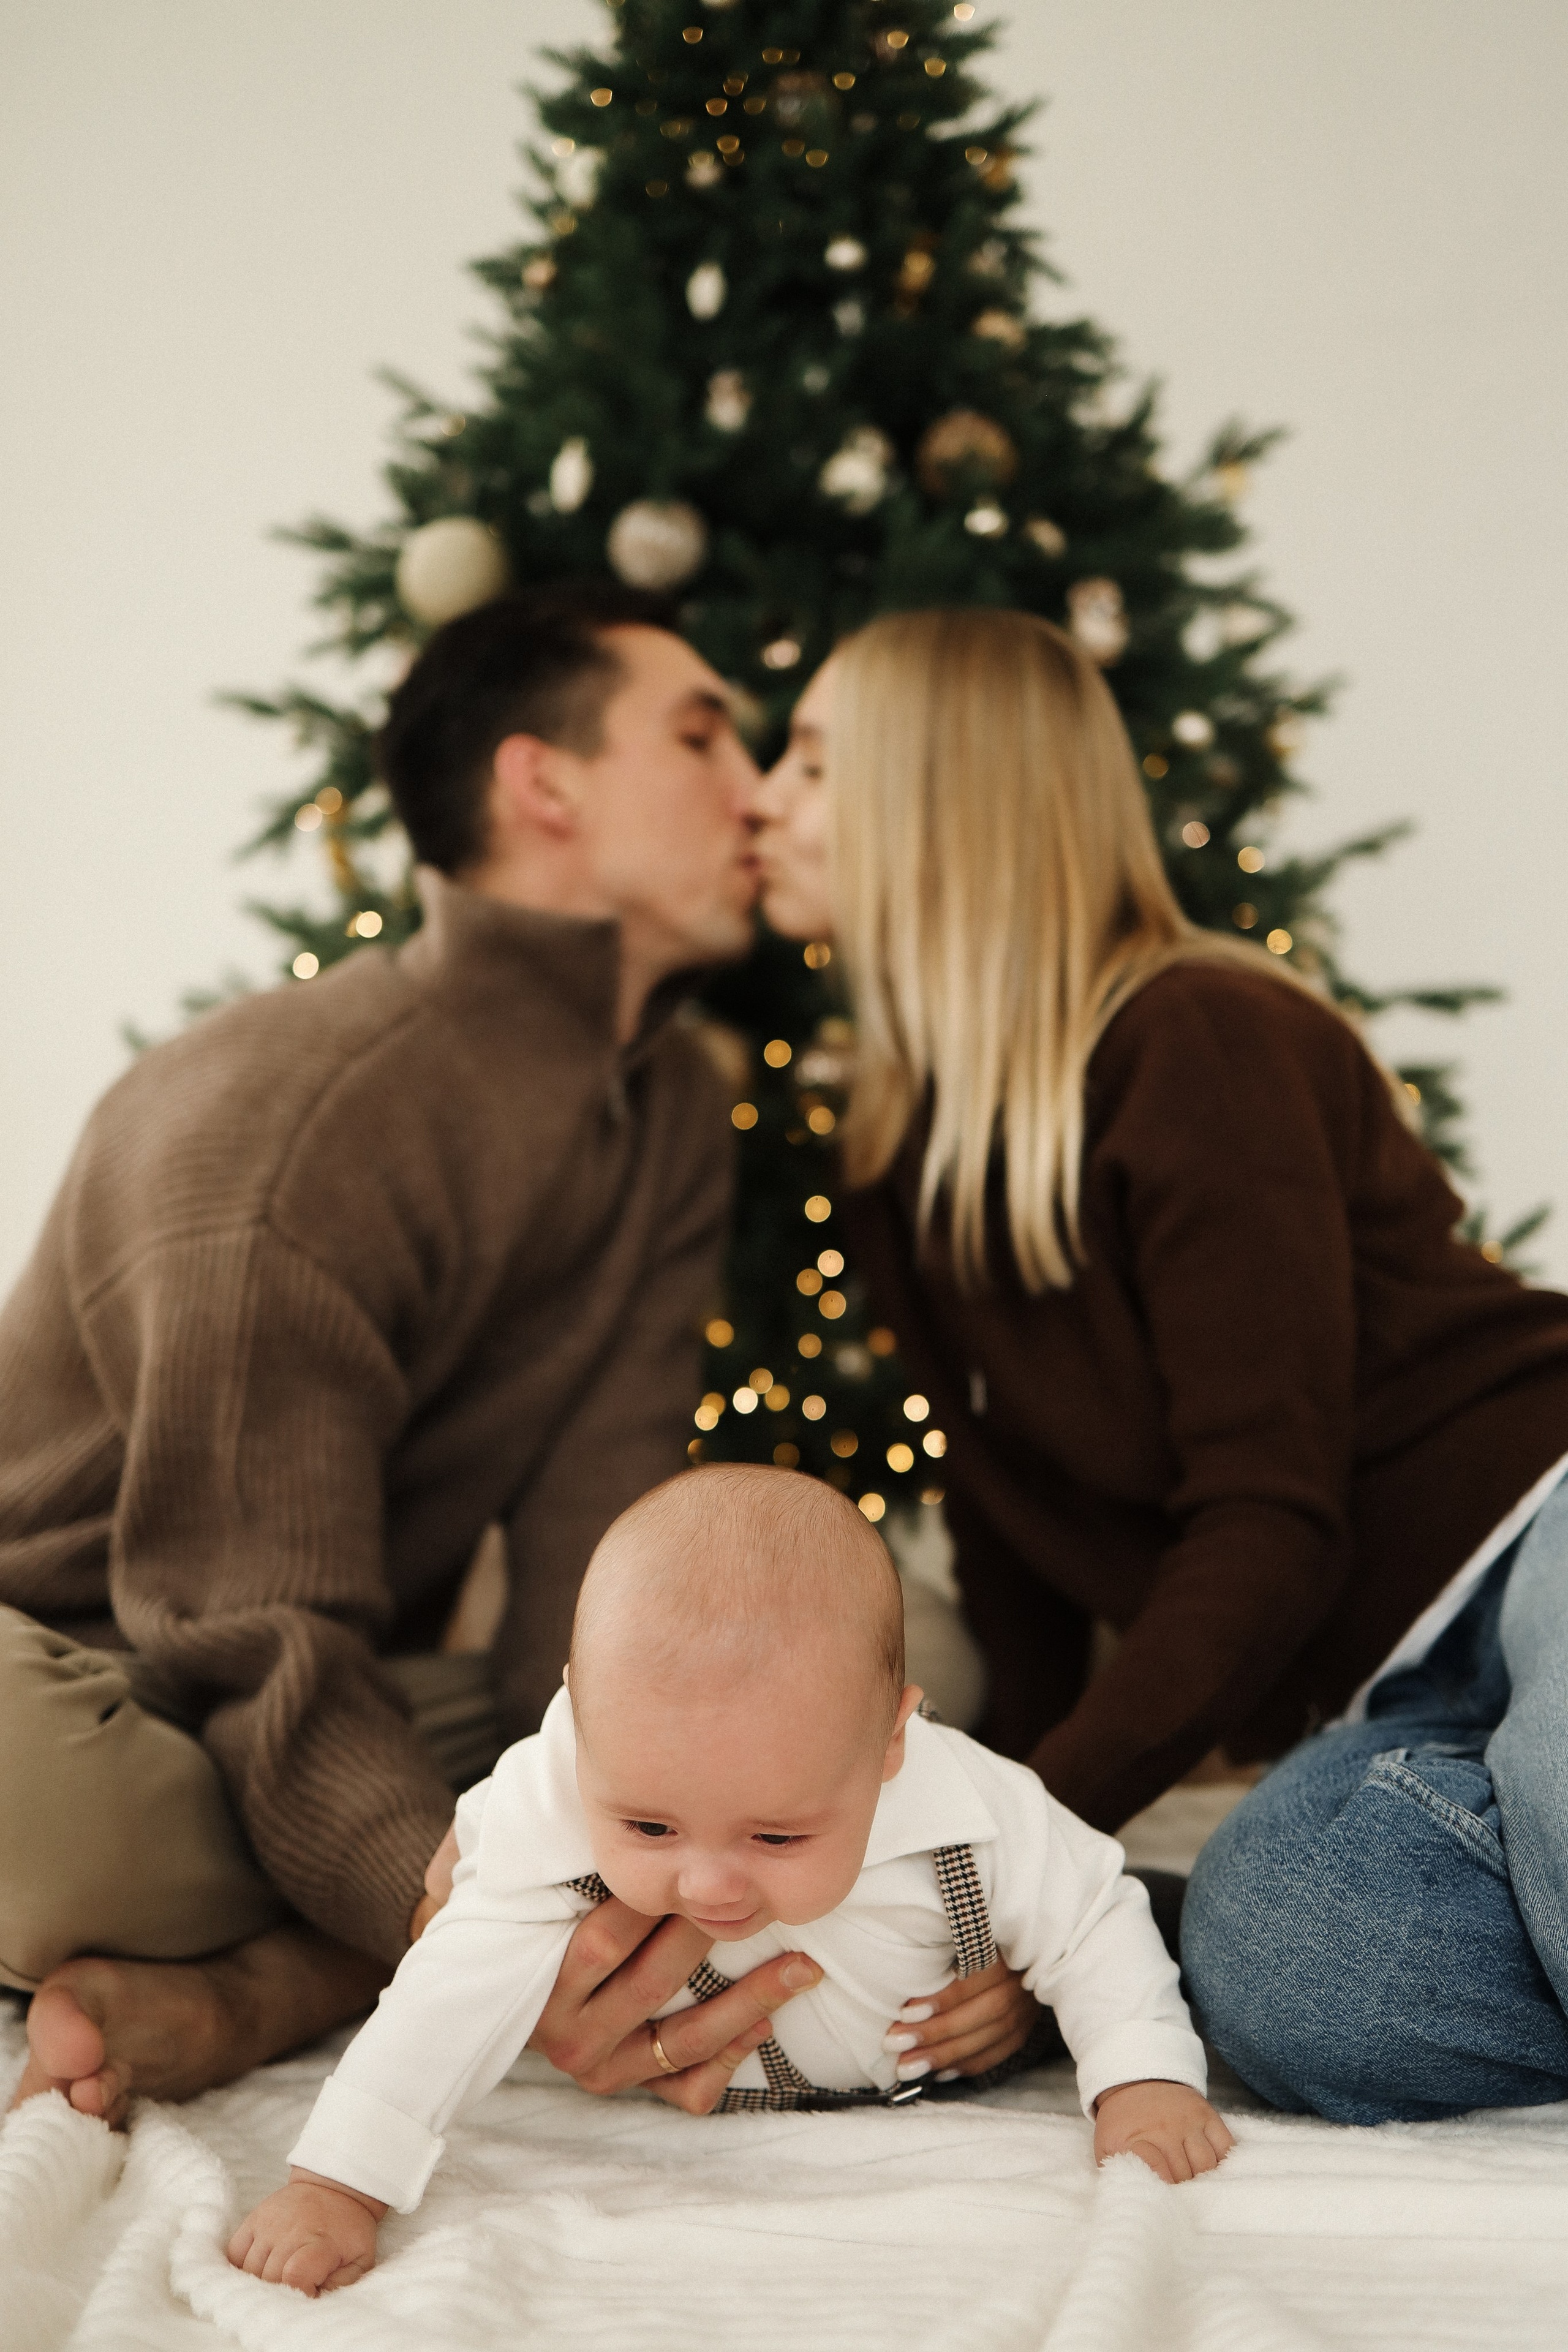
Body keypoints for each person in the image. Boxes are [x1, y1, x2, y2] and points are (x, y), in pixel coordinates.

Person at [1, 585, 826, 2123]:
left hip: (320, 1688)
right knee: (24, 1791)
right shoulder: (290, 1123)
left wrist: (619, 1829)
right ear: (543, 783)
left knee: (850, 1656)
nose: (759, 792)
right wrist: (461, 1909)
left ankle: (267, 1986)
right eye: (702, 737)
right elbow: (246, 1627)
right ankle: (346, 1944)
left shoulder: (668, 1114)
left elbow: (595, 1575)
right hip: (82, 1685)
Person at [749, 604, 1568, 2118]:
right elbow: (1014, 1547)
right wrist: (1004, 1922)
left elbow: (1268, 1523)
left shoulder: (1199, 1035)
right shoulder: (898, 1162)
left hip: (1542, 1528)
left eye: (807, 760)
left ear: (940, 795)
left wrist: (1024, 1853)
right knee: (1289, 1956)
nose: (758, 798)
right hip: (1396, 1706)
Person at [228, 1465, 1231, 2296]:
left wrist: (1141, 2079)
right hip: (725, 2096)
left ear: (890, 1742)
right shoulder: (558, 1795)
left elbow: (1094, 1913)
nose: (709, 1885)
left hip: (951, 2057)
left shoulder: (971, 1806)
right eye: (650, 1826)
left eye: (778, 1834)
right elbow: (447, 1992)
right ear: (580, 1720)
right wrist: (338, 2184)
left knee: (1155, 1921)